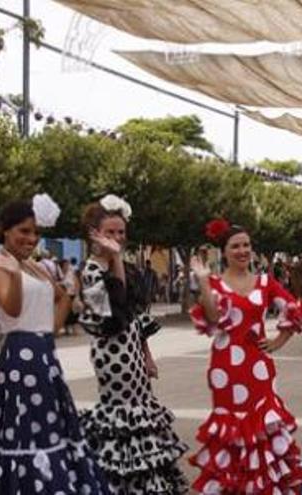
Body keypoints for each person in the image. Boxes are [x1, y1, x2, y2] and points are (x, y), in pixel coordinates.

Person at [0, 196, 112, 493]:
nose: (31, 238)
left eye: (35, 232)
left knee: (49, 431)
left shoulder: (35, 267)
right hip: (19, 359)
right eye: (23, 230)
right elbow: (13, 308)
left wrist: (70, 291)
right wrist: (13, 274)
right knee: (21, 434)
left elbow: (56, 312)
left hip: (44, 357)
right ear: (5, 231)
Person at [77, 195, 189, 493]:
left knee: (142, 409)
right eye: (110, 232)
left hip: (132, 352)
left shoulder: (123, 266)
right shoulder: (91, 269)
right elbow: (111, 315)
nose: (117, 238)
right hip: (111, 356)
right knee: (122, 417)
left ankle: (145, 483)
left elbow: (135, 318)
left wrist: (147, 356)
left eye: (121, 233)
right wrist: (114, 260)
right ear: (94, 233)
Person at [190, 218, 302, 494]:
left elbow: (295, 309)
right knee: (231, 429)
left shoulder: (266, 282)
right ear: (225, 251)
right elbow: (212, 317)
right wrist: (205, 282)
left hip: (258, 367)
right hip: (225, 371)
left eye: (246, 245)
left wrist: (278, 341)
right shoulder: (216, 283)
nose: (242, 251)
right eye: (235, 246)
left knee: (262, 427)